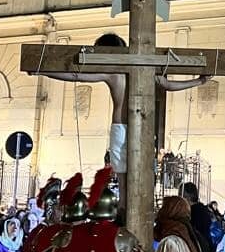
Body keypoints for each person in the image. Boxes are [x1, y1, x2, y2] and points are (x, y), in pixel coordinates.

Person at [41, 33, 209, 204]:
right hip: (143, 128)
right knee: (142, 179)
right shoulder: (145, 69)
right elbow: (168, 85)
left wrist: (44, 72)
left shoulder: (112, 72)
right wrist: (198, 82)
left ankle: (123, 212)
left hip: (121, 127)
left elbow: (76, 76)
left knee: (123, 182)